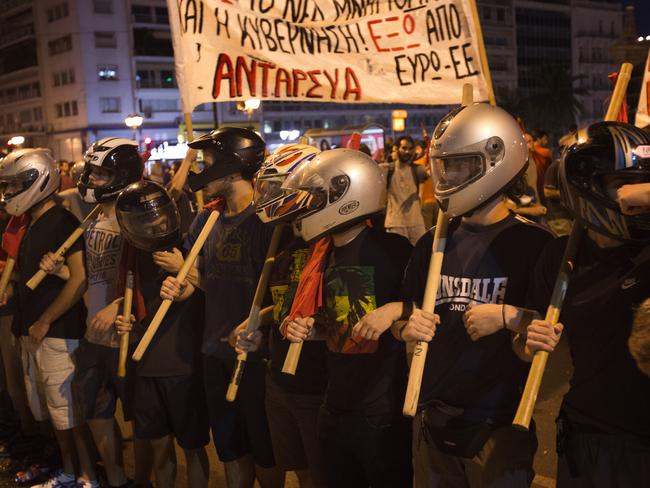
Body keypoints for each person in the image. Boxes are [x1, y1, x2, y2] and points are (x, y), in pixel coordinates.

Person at [363, 103, 555, 487]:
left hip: (499, 424)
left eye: (460, 165)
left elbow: (548, 336)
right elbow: (408, 317)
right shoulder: (434, 241)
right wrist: (405, 327)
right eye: (444, 165)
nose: (447, 176)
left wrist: (506, 316)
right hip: (431, 415)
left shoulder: (535, 243)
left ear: (495, 161)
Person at [156, 127, 283, 488]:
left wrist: (259, 323)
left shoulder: (267, 223)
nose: (202, 171)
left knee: (265, 451)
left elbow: (283, 298)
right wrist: (181, 286)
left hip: (256, 358)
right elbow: (203, 281)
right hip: (214, 352)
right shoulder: (206, 219)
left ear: (230, 169)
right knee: (229, 450)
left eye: (208, 162)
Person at [281, 148, 414, 487]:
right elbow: (334, 324)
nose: (308, 207)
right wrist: (303, 327)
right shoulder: (318, 255)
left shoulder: (393, 250)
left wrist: (396, 309)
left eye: (317, 199)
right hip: (334, 403)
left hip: (381, 411)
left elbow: (428, 309)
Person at [527, 122, 650, 487]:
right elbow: (525, 345)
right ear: (586, 188)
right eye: (619, 183)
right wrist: (528, 337)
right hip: (586, 441)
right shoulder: (561, 256)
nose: (633, 194)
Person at [0, 148, 98, 487]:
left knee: (68, 415)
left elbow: (79, 278)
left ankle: (87, 476)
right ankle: (69, 471)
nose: (9, 193)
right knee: (53, 415)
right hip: (36, 333)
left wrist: (46, 319)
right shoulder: (31, 222)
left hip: (59, 333)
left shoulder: (63, 221)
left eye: (14, 186)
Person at [235, 144, 328, 487]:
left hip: (318, 382)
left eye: (278, 188)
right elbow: (288, 302)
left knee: (321, 474)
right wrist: (259, 323)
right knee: (299, 470)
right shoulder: (285, 243)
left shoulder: (333, 242)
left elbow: (350, 317)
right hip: (280, 377)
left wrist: (316, 329)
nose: (270, 196)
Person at [113, 181, 210, 488]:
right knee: (158, 447)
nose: (157, 225)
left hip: (184, 368)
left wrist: (186, 277)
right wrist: (124, 318)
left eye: (161, 218)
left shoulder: (188, 248)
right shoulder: (131, 255)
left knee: (193, 447)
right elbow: (130, 301)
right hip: (145, 366)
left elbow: (206, 286)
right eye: (147, 221)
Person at [71, 138, 149, 488]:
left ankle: (143, 480)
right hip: (93, 336)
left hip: (126, 336)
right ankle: (116, 477)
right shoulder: (91, 216)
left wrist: (119, 305)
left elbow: (150, 277)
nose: (93, 180)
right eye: (93, 173)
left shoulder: (136, 216)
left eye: (101, 174)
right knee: (96, 412)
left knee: (143, 420)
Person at [384, 135, 429, 244]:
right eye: (404, 148)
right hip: (395, 224)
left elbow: (432, 173)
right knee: (398, 258)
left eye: (410, 148)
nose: (407, 151)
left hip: (416, 224)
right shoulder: (387, 169)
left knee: (420, 257)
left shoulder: (418, 169)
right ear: (397, 148)